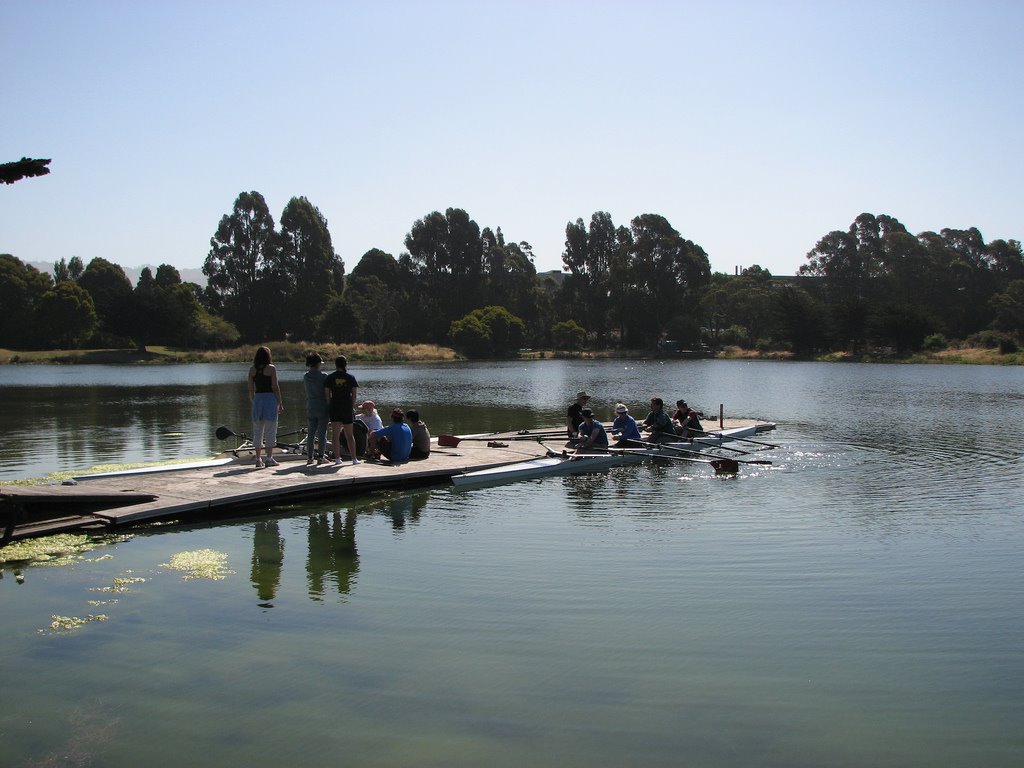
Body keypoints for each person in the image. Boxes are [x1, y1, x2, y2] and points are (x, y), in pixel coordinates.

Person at [247, 345, 284, 468]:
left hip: (258, 400)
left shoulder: (252, 370)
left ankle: (258, 459)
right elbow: (275, 387)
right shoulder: (271, 368)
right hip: (270, 400)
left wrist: (253, 400)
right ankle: (269, 458)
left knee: (257, 431)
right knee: (270, 430)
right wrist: (280, 402)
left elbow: (251, 388)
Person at [324, 355, 360, 466]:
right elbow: (354, 395)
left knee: (335, 435)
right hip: (347, 407)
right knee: (350, 435)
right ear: (345, 364)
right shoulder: (351, 377)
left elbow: (327, 395)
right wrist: (351, 406)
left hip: (335, 407)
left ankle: (337, 459)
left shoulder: (330, 377)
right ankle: (354, 459)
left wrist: (330, 405)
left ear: (336, 364)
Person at [303, 353, 329, 466]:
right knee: (322, 433)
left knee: (311, 433)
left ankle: (309, 457)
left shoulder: (306, 376)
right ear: (318, 364)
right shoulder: (324, 376)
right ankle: (321, 457)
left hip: (310, 405)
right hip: (322, 405)